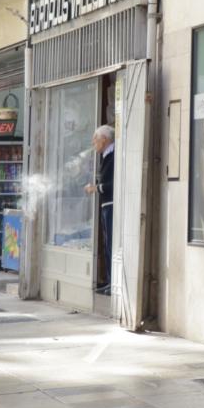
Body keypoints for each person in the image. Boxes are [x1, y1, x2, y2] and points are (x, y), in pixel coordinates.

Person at [88, 126, 116, 293]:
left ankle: (113, 282)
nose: (93, 142)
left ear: (104, 139)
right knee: (107, 244)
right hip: (106, 206)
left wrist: (96, 188)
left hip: (111, 205)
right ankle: (109, 281)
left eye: (95, 138)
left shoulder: (113, 156)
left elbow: (114, 184)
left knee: (111, 244)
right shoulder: (107, 156)